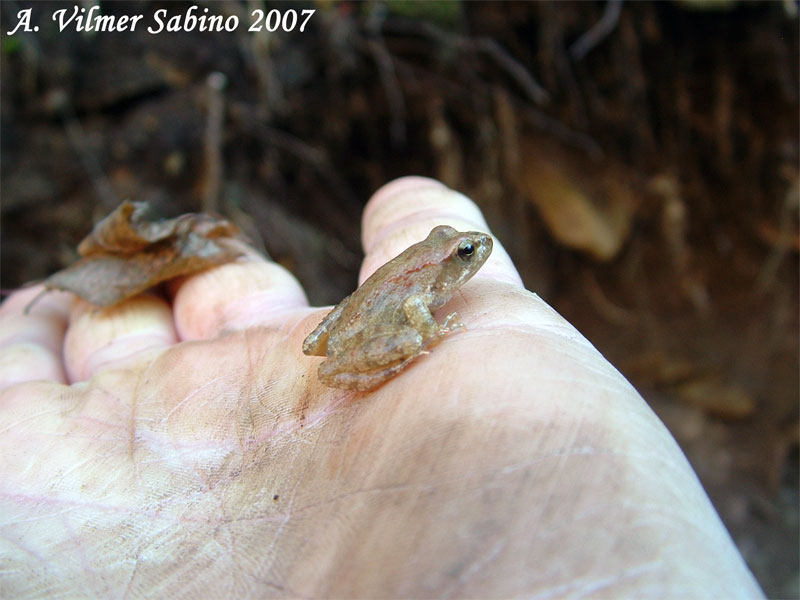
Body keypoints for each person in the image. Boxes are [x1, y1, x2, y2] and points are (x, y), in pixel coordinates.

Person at [0, 177, 762, 598]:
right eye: (464, 253)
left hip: (347, 321)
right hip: (377, 317)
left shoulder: (439, 270)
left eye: (463, 254)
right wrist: (422, 331)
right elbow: (411, 307)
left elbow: (327, 332)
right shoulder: (434, 286)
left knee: (383, 323)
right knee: (413, 325)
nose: (472, 257)